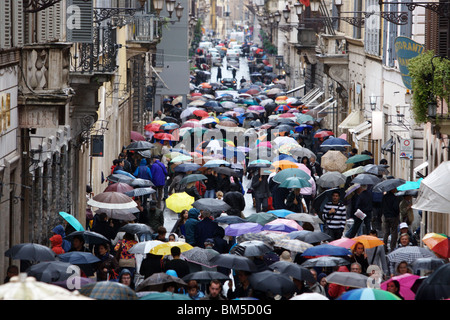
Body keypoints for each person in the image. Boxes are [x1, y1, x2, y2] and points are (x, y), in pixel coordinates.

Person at [381, 188, 401, 252]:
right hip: (393, 217)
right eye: (395, 188)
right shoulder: (395, 198)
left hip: (386, 216)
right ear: (392, 189)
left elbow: (382, 206)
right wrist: (397, 214)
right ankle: (392, 247)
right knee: (394, 232)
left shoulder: (384, 197)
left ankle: (384, 246)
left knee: (386, 232)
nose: (396, 189)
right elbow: (396, 208)